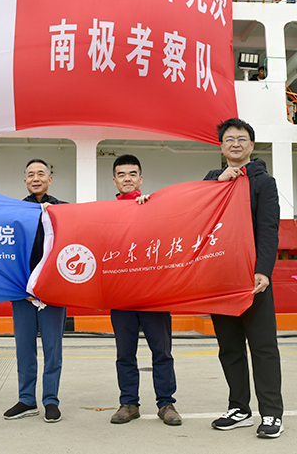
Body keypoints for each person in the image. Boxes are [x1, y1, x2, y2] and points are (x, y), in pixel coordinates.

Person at [204, 118, 284, 438]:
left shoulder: (264, 183)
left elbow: (268, 229)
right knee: (230, 347)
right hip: (220, 277)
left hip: (253, 278)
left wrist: (263, 270)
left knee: (263, 346)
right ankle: (239, 408)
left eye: (241, 139)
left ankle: (271, 413)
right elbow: (196, 212)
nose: (235, 144)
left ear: (251, 145)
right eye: (229, 139)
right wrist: (219, 182)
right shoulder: (212, 179)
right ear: (221, 146)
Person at [108, 154, 182, 426]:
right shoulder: (106, 214)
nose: (127, 179)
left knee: (162, 352)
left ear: (140, 178)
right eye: (121, 174)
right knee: (125, 354)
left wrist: (153, 208)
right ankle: (129, 403)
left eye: (132, 174)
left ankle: (166, 404)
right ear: (114, 181)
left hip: (154, 295)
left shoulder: (154, 207)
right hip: (122, 296)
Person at [3, 158, 67, 423]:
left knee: (53, 348)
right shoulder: (14, 212)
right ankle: (27, 399)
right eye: (31, 174)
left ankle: (51, 400)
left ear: (50, 179)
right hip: (22, 291)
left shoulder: (64, 210)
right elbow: (7, 252)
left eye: (41, 173)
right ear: (25, 181)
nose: (36, 178)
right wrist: (22, 286)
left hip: (53, 292)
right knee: (24, 347)